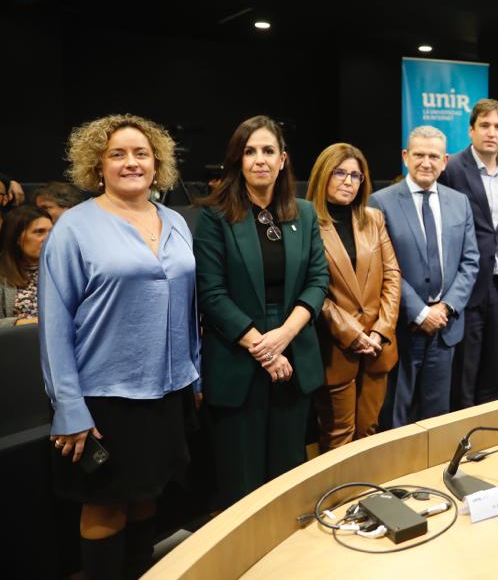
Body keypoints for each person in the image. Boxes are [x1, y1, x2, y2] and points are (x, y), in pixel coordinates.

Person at [39, 114, 200, 578]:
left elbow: (187, 307)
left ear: (157, 163)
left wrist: (194, 372)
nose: (131, 162)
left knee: (147, 499)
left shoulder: (174, 221)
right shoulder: (74, 228)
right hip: (104, 398)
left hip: (167, 390)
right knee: (105, 508)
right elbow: (55, 326)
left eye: (141, 153)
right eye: (118, 154)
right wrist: (68, 407)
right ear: (98, 165)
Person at [193, 116, 328, 508]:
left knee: (288, 478)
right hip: (238, 361)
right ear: (237, 160)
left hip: (293, 359)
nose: (260, 160)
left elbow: (318, 281)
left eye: (268, 151)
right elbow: (211, 293)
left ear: (283, 159)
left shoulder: (302, 213)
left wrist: (285, 336)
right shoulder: (215, 216)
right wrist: (264, 349)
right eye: (249, 152)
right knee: (243, 484)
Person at [369, 126, 479, 427]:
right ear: (406, 156)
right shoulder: (380, 203)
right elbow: (381, 267)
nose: (426, 162)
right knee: (395, 414)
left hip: (446, 326)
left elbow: (470, 262)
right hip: (403, 327)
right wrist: (419, 311)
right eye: (419, 155)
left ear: (445, 161)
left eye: (433, 156)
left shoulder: (459, 202)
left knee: (436, 415)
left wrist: (445, 308)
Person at [306, 143, 400, 450]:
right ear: (323, 175)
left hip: (377, 345)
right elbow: (310, 289)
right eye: (340, 173)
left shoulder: (372, 218)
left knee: (368, 432)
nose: (348, 181)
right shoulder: (305, 221)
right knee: (338, 438)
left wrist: (380, 329)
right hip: (336, 348)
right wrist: (351, 333)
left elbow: (392, 276)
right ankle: (338, 500)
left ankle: (363, 496)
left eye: (356, 176)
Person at [438, 98, 498, 409]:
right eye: (485, 125)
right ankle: (462, 437)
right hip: (467, 285)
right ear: (471, 130)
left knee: (497, 368)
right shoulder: (451, 169)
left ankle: (489, 432)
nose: (492, 132)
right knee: (465, 371)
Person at [0, 205, 52, 327]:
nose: (48, 238)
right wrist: (22, 323)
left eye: (52, 232)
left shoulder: (65, 269)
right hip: (15, 343)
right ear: (17, 238)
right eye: (39, 232)